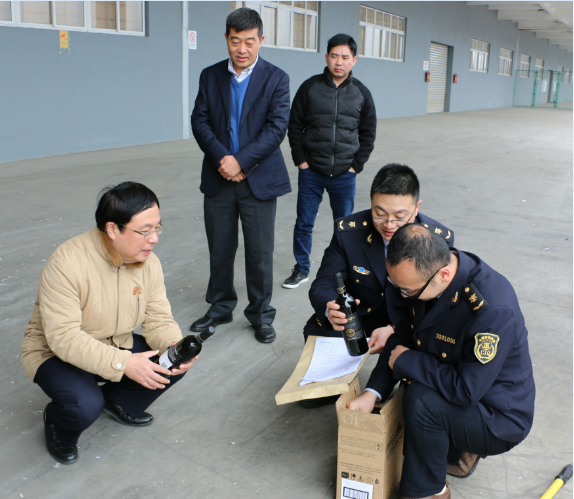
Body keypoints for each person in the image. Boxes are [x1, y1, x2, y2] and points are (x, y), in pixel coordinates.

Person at [348, 224, 535, 499]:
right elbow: (403, 335)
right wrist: (372, 393)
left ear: (443, 274)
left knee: (421, 401)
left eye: (407, 291)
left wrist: (408, 361)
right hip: (462, 386)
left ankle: (429, 492)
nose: (402, 295)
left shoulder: (492, 309)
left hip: (496, 416)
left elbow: (466, 390)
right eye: (397, 287)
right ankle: (453, 450)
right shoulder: (426, 274)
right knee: (410, 407)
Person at [21, 182, 196, 465]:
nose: (154, 239)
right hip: (55, 352)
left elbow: (159, 318)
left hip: (114, 342)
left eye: (157, 228)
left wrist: (173, 346)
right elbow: (64, 337)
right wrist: (124, 364)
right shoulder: (67, 263)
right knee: (84, 405)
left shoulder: (149, 263)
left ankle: (118, 402)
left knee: (170, 362)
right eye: (145, 231)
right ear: (113, 229)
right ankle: (57, 422)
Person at [299, 164, 454, 409]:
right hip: (362, 315)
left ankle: (408, 387)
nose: (389, 224)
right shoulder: (349, 232)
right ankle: (332, 383)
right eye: (379, 214)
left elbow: (438, 302)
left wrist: (395, 328)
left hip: (412, 319)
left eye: (400, 216)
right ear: (371, 203)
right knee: (318, 332)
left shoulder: (436, 239)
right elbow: (324, 282)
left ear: (417, 208)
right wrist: (331, 309)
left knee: (432, 357)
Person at [190, 7, 290, 343]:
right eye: (235, 41)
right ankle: (220, 306)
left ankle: (260, 314)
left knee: (260, 253)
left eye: (249, 41)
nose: (242, 49)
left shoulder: (277, 78)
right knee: (220, 248)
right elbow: (200, 121)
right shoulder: (210, 76)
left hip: (258, 180)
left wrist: (241, 162)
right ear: (226, 39)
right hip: (218, 176)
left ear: (261, 40)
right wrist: (223, 159)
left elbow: (276, 128)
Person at [282, 33, 377, 289]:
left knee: (345, 226)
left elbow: (368, 133)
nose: (339, 62)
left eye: (345, 57)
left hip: (345, 174)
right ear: (326, 57)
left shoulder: (361, 93)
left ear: (354, 60)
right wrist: (301, 161)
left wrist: (356, 166)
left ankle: (343, 270)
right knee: (304, 222)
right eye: (334, 56)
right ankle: (302, 268)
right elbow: (295, 125)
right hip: (311, 171)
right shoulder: (310, 87)